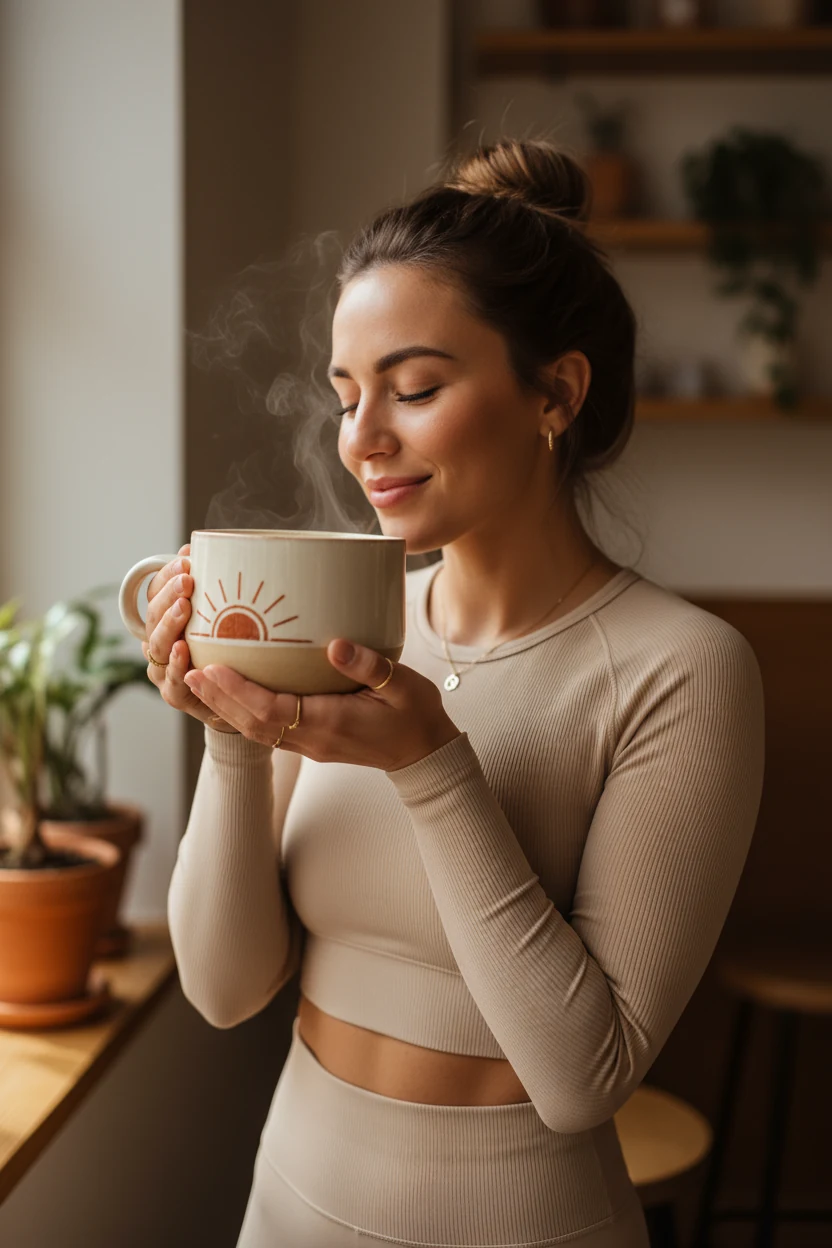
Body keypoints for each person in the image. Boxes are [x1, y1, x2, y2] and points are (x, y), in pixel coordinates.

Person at [143, 138, 765, 1246]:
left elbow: (583, 1082)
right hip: (287, 1203)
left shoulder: (682, 668)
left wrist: (435, 768)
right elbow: (225, 989)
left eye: (415, 388)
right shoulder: (346, 629)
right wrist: (228, 731)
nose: (363, 441)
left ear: (555, 394)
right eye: (345, 397)